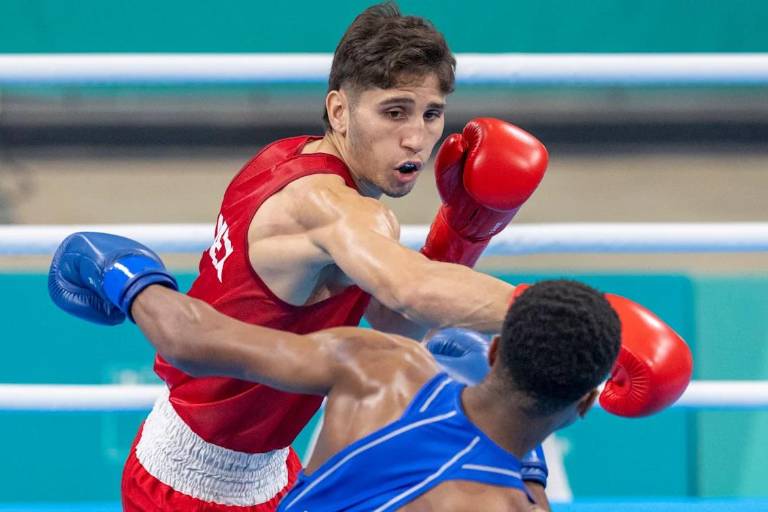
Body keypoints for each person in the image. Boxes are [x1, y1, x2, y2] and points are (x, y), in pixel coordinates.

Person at [71, 3, 550, 510]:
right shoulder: (328, 206)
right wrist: (564, 318)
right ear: (340, 111)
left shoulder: (286, 157)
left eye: (431, 114)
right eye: (394, 111)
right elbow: (410, 290)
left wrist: (462, 232)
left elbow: (394, 323)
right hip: (192, 490)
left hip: (265, 468)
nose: (416, 138)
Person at [47, 232, 693, 511]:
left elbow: (195, 338)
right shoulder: (511, 504)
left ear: (495, 352)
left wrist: (128, 279)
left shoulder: (376, 365)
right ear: (586, 405)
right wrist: (528, 465)